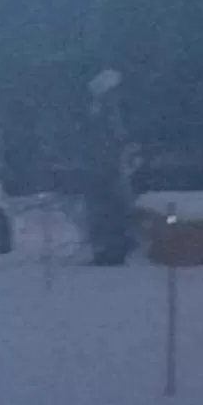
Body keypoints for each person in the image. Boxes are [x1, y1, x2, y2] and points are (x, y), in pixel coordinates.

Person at [81, 68, 135, 266]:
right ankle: (110, 250)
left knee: (112, 211)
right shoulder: (103, 116)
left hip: (109, 171)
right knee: (110, 211)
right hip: (106, 173)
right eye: (115, 91)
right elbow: (103, 148)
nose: (118, 95)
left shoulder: (107, 114)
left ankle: (112, 247)